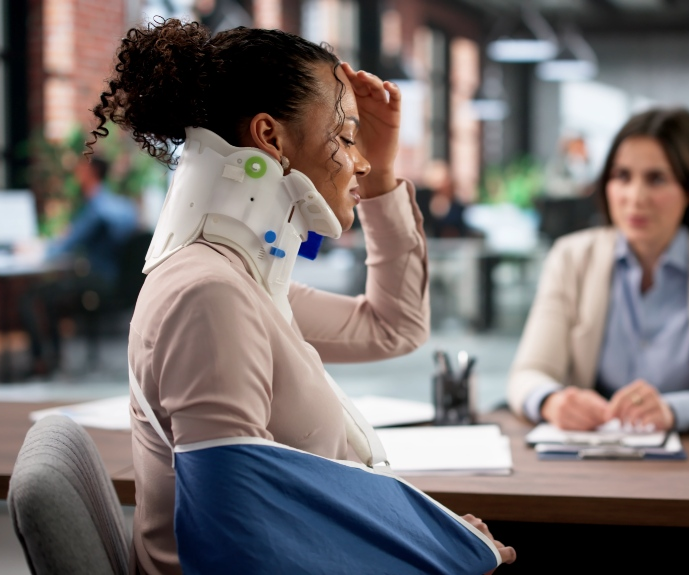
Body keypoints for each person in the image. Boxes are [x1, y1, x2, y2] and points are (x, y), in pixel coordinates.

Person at [88, 20, 514, 574]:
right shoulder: (210, 296)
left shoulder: (242, 283)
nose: (358, 160)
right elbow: (236, 548)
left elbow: (393, 325)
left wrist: (383, 175)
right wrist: (432, 545)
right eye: (344, 136)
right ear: (270, 138)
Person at [506, 107, 689, 433]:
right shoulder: (571, 258)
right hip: (593, 461)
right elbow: (527, 374)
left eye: (656, 179)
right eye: (622, 177)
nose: (635, 197)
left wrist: (673, 411)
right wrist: (551, 401)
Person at [17, 156, 138, 376]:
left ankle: (43, 361)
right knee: (50, 295)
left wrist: (38, 250)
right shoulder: (122, 206)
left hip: (97, 280)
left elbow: (68, 244)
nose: (77, 174)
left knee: (33, 297)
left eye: (81, 170)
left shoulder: (96, 207)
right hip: (115, 281)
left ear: (91, 174)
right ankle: (54, 357)